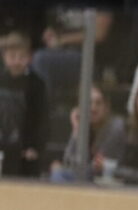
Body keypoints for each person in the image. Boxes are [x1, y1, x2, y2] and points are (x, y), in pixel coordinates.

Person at [50, 83, 125, 182]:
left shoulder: (115, 127)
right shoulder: (84, 126)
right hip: (91, 179)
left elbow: (93, 169)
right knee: (58, 175)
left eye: (98, 103)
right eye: (88, 103)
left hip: (113, 183)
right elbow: (68, 162)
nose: (93, 108)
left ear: (106, 107)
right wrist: (76, 129)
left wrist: (60, 169)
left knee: (59, 174)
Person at [0, 31, 48, 179]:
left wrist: (34, 147)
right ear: (4, 57)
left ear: (29, 57)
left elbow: (40, 118)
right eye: (12, 56)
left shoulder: (37, 84)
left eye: (21, 57)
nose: (16, 61)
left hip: (25, 147)